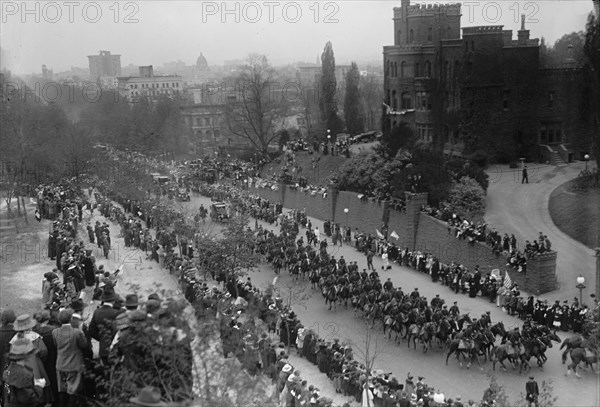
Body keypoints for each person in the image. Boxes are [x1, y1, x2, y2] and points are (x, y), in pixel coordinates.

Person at [53, 309, 88, 407]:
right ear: (70, 318)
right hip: (73, 364)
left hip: (60, 364)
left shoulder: (55, 332)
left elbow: (56, 345)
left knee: (62, 390)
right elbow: (84, 345)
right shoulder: (76, 332)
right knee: (72, 390)